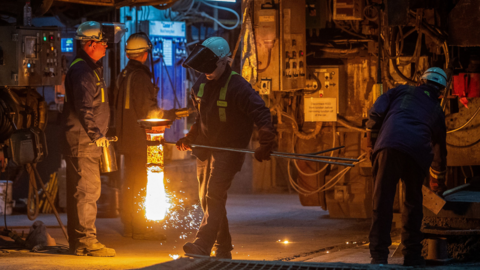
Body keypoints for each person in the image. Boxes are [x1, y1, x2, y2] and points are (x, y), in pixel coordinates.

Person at [176, 37, 276, 259]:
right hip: (205, 148)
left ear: (224, 61)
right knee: (207, 199)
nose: (207, 73)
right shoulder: (200, 84)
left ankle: (203, 244)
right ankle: (223, 249)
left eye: (210, 68)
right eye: (203, 69)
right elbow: (202, 117)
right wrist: (191, 136)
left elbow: (260, 112)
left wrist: (266, 138)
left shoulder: (239, 87)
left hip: (229, 151)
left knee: (214, 195)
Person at [366, 67, 448, 266]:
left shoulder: (402, 90)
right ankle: (412, 256)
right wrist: (437, 178)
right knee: (413, 204)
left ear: (420, 82)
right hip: (417, 153)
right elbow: (439, 150)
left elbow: (376, 111)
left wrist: (371, 139)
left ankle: (379, 257)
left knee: (382, 203)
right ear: (441, 92)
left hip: (389, 146)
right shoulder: (437, 111)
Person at [61, 21, 115, 257]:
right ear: (91, 43)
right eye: (102, 42)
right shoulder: (83, 70)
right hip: (83, 141)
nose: (105, 46)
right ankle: (85, 242)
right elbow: (84, 108)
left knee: (84, 191)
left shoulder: (89, 67)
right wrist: (96, 135)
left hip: (84, 141)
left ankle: (80, 242)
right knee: (86, 191)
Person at [114, 32, 166, 240]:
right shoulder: (141, 77)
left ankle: (130, 225)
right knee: (142, 183)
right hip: (140, 140)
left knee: (131, 182)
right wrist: (168, 115)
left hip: (127, 139)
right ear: (145, 54)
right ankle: (141, 227)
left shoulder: (124, 74)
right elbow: (148, 111)